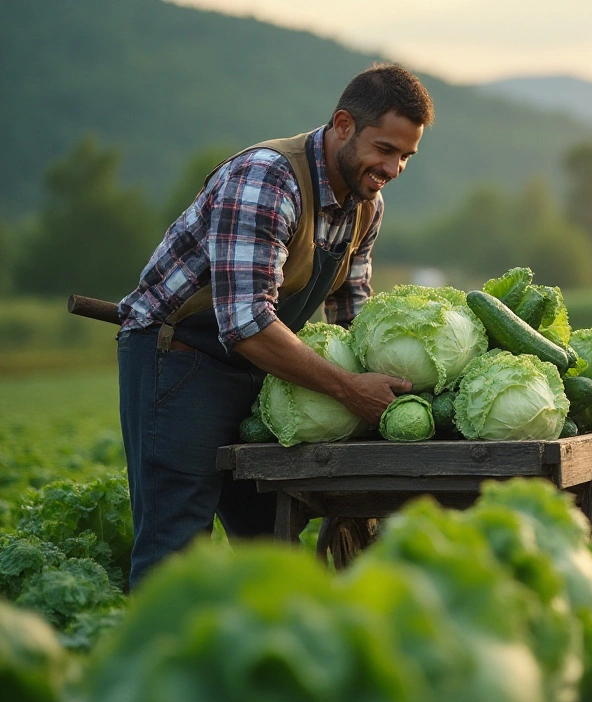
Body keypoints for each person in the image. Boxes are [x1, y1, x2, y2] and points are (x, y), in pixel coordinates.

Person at [115, 63, 431, 588]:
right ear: (344, 125)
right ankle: (159, 663)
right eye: (385, 149)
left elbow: (351, 314)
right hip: (181, 359)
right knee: (175, 547)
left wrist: (399, 385)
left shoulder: (364, 206)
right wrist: (350, 390)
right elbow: (245, 322)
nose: (393, 167)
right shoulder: (267, 178)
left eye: (406, 156)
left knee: (270, 541)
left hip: (260, 365)